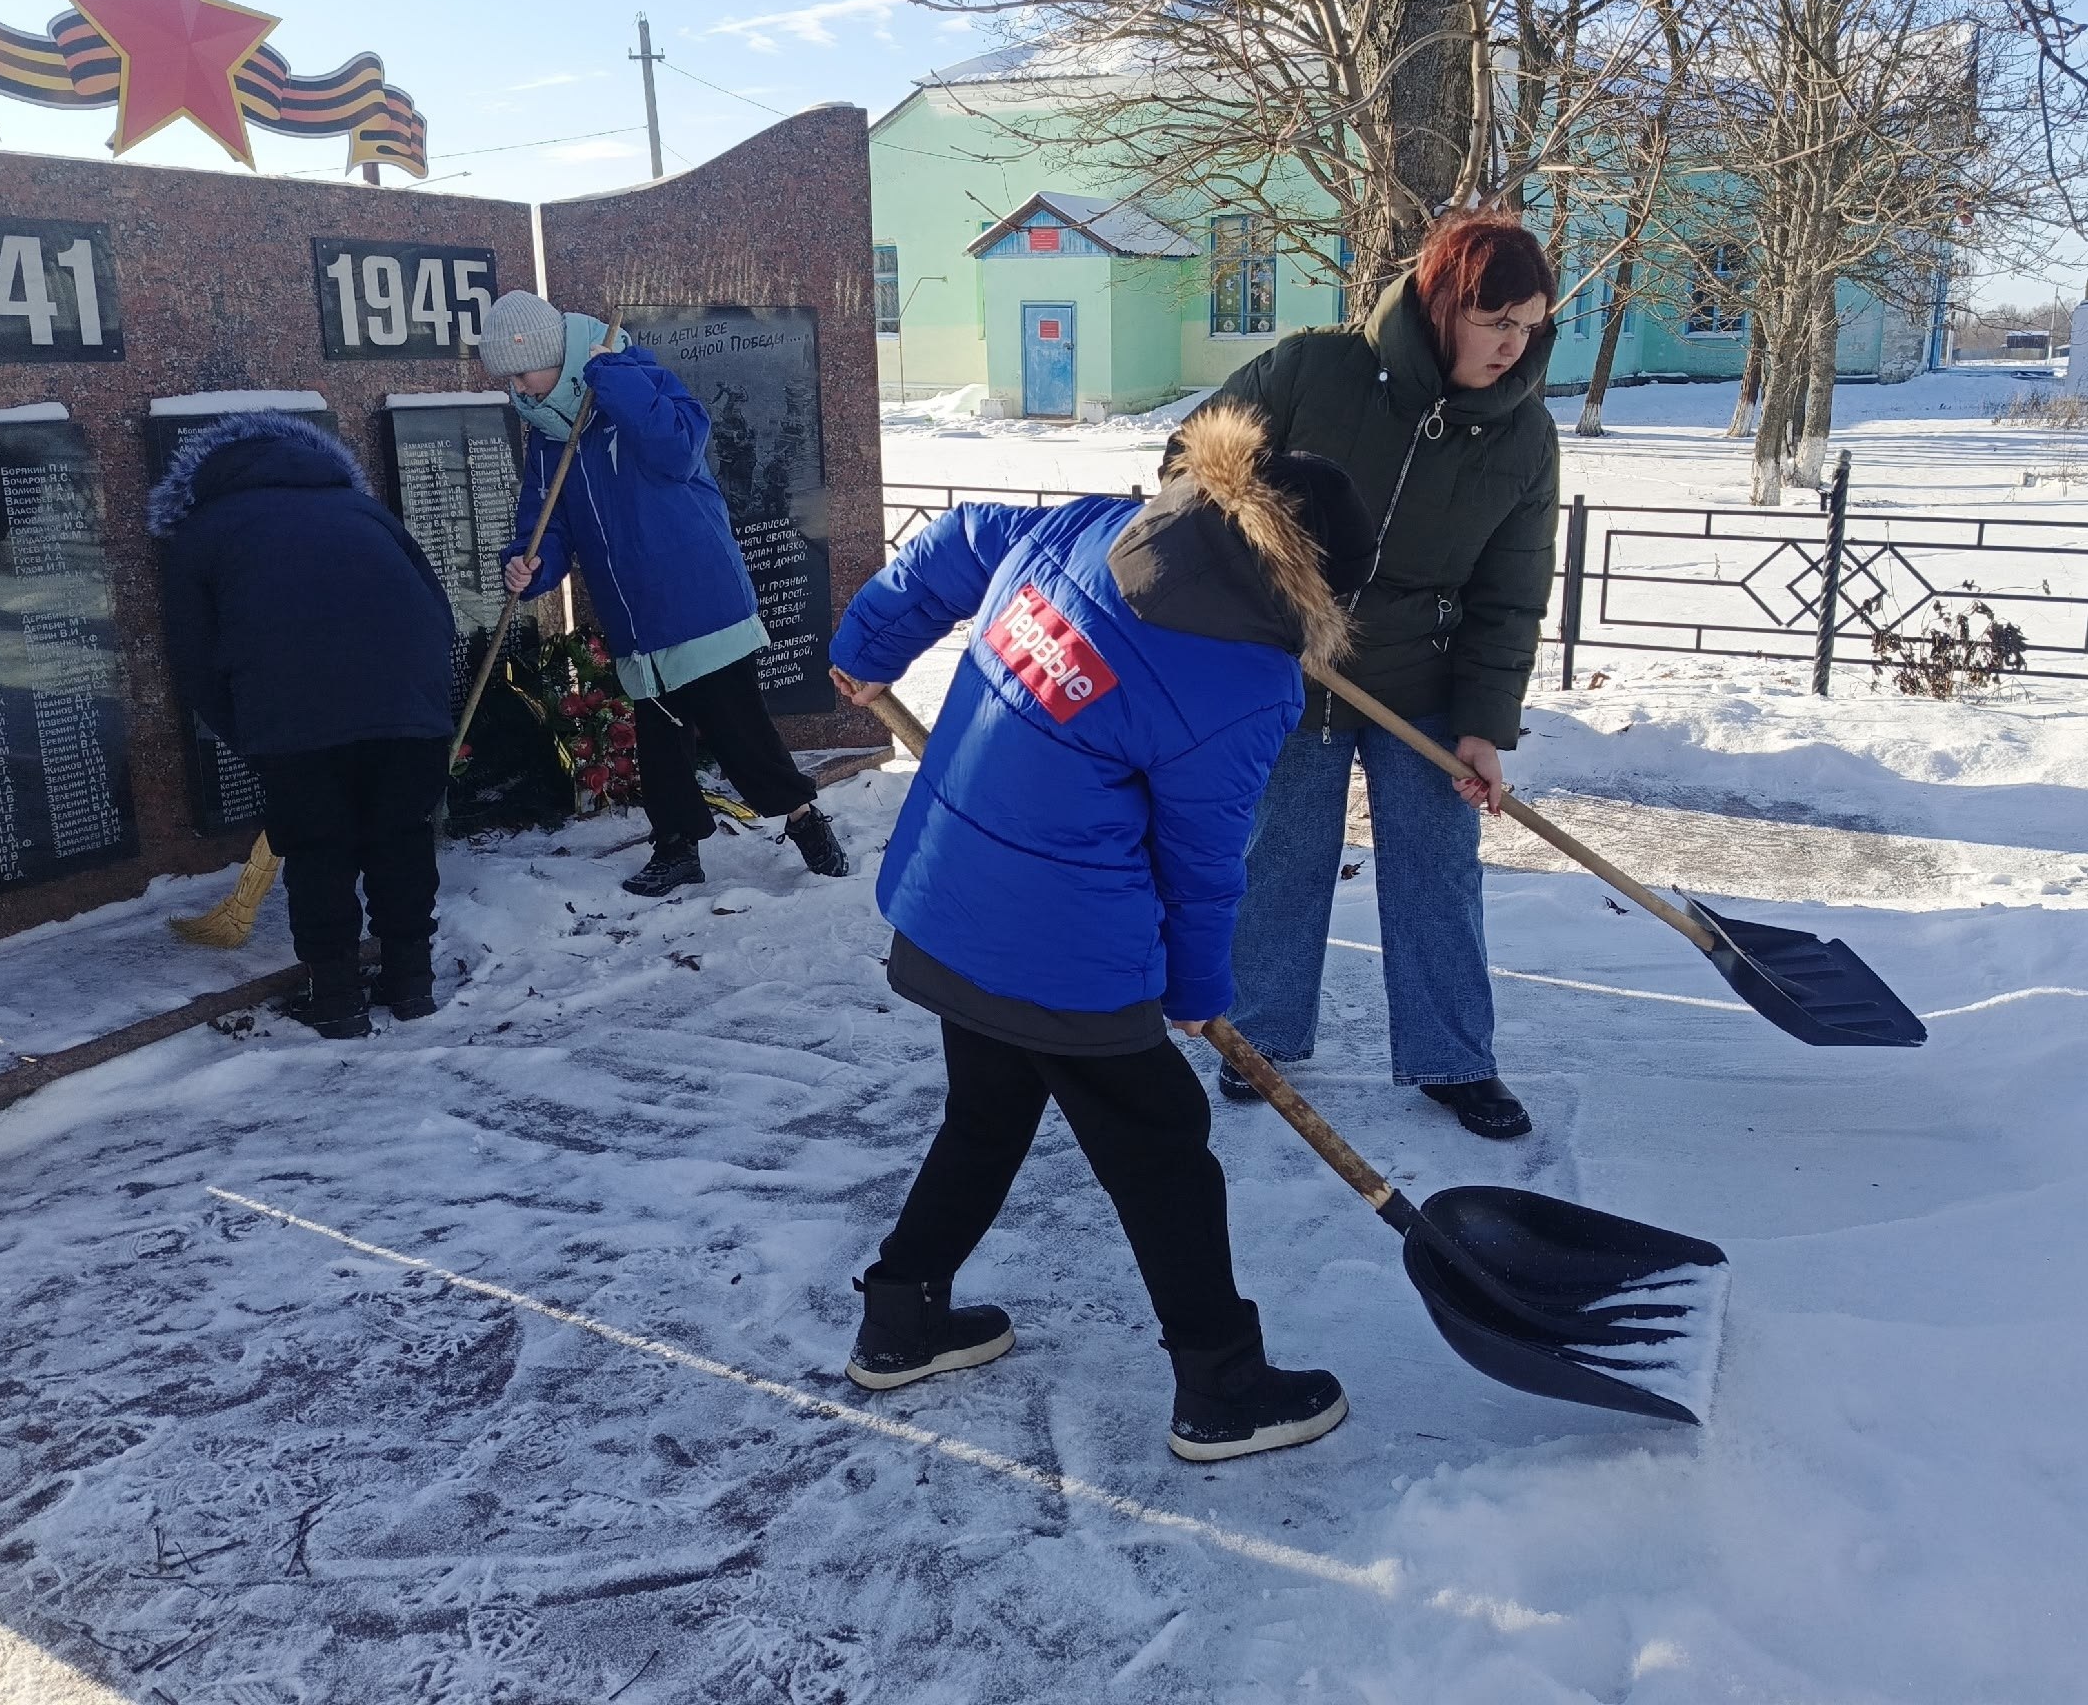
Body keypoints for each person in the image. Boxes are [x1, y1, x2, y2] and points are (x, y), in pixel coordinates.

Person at [826, 403, 1379, 1462]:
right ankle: (1221, 1386)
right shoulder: (1244, 684)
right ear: (1306, 585)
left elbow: (946, 547)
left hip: (950, 903)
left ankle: (902, 1317)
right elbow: (1205, 859)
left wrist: (866, 645)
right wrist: (1197, 988)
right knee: (1163, 1147)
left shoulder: (1081, 528)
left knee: (989, 1112)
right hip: (1057, 948)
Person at [1183, 210, 1561, 1140]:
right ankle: (1260, 1040)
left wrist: (1483, 723)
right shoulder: (1317, 368)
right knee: (1279, 858)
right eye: (1494, 320)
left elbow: (1510, 597)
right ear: (1441, 303)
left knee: (1437, 870)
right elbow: (1196, 465)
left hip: (1426, 678)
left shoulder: (1524, 436)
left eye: (1529, 325)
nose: (1512, 345)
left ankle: (1453, 1058)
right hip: (1290, 662)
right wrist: (1261, 579)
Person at [478, 291, 848, 893]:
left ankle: (802, 817)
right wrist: (530, 565)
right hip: (636, 616)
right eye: (510, 379)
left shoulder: (639, 381)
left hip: (700, 601)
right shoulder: (549, 437)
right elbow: (546, 524)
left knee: (739, 734)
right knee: (662, 742)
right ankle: (677, 847)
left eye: (524, 372)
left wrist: (611, 377)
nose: (520, 387)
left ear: (560, 357)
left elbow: (678, 448)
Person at [151, 410, 457, 1037]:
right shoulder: (364, 512)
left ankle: (338, 996)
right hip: (405, 702)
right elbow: (434, 607)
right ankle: (411, 981)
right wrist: (423, 706)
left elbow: (195, 660)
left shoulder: (202, 532)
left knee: (320, 847)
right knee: (400, 834)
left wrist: (252, 737)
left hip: (293, 713)